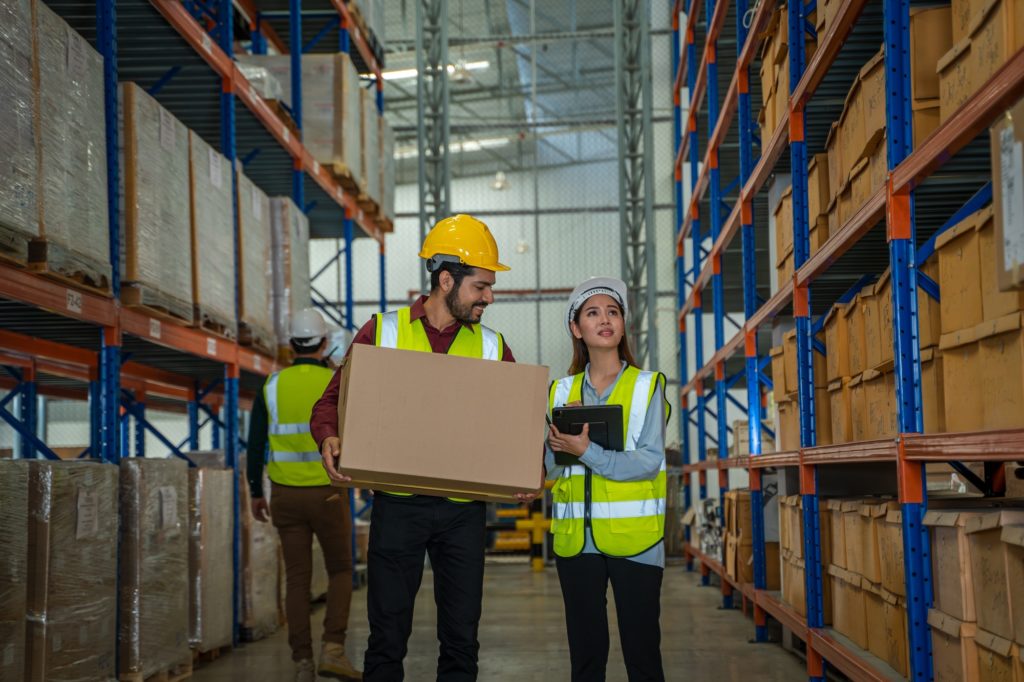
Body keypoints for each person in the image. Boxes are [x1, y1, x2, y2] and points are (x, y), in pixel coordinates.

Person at [311, 214, 532, 682]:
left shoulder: (493, 347)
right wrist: (328, 434)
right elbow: (331, 400)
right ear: (446, 279)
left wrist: (527, 465)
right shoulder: (382, 331)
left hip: (463, 511)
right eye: (481, 287)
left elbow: (518, 422)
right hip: (398, 506)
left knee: (461, 638)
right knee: (386, 637)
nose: (489, 298)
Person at [544, 277, 670, 682]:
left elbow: (649, 461)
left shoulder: (647, 385)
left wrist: (587, 452)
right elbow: (549, 465)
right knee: (585, 656)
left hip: (636, 542)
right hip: (575, 541)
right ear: (576, 328)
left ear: (622, 326)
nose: (605, 320)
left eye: (613, 312)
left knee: (642, 654)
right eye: (592, 313)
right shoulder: (558, 392)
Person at [247, 308, 361, 682]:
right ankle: (333, 650)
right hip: (329, 492)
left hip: (284, 495)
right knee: (340, 569)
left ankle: (301, 662)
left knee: (297, 578)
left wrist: (254, 492)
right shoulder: (335, 382)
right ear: (325, 342)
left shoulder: (272, 385)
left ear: (290, 344)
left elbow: (255, 444)